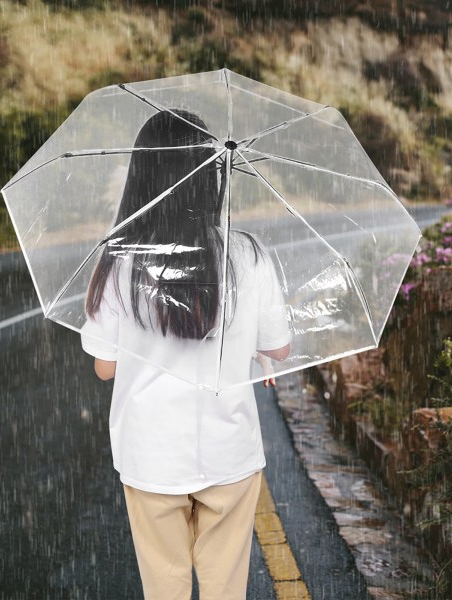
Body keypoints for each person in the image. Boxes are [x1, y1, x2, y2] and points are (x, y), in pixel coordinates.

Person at [80, 109, 291, 600]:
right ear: (213, 175)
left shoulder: (120, 261)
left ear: (143, 175)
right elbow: (278, 347)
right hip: (229, 452)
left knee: (165, 588)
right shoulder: (247, 254)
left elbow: (105, 367)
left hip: (151, 456)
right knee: (225, 589)